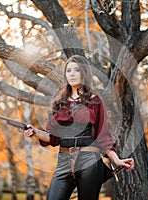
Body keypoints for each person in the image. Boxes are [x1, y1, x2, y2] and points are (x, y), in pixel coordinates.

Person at [22, 55, 134, 200]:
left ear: (84, 73)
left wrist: (116, 160)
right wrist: (34, 132)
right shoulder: (58, 103)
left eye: (77, 70)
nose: (72, 74)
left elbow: (103, 136)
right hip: (63, 161)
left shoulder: (95, 100)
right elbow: (53, 137)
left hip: (88, 159)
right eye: (69, 71)